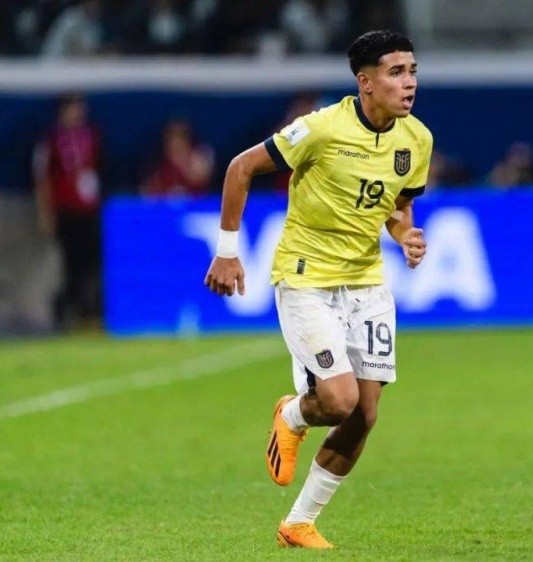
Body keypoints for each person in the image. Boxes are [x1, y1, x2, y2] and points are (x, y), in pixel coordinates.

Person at [203, 30, 432, 548]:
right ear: (365, 82)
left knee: (365, 414)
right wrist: (227, 251)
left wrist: (405, 236)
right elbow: (241, 168)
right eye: (396, 72)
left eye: (413, 71)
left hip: (367, 283)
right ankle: (291, 414)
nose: (409, 83)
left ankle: (299, 522)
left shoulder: (416, 139)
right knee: (338, 400)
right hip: (307, 279)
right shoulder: (321, 129)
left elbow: (397, 205)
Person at [33, 93, 103, 329]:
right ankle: (65, 310)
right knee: (71, 263)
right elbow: (42, 177)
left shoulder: (92, 135)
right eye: (73, 108)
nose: (78, 112)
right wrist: (46, 212)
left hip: (89, 209)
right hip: (66, 209)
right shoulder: (52, 139)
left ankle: (87, 310)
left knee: (91, 261)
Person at [140, 118, 214, 197]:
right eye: (171, 139)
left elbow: (202, 180)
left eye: (180, 138)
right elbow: (146, 192)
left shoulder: (199, 159)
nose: (175, 143)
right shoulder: (159, 167)